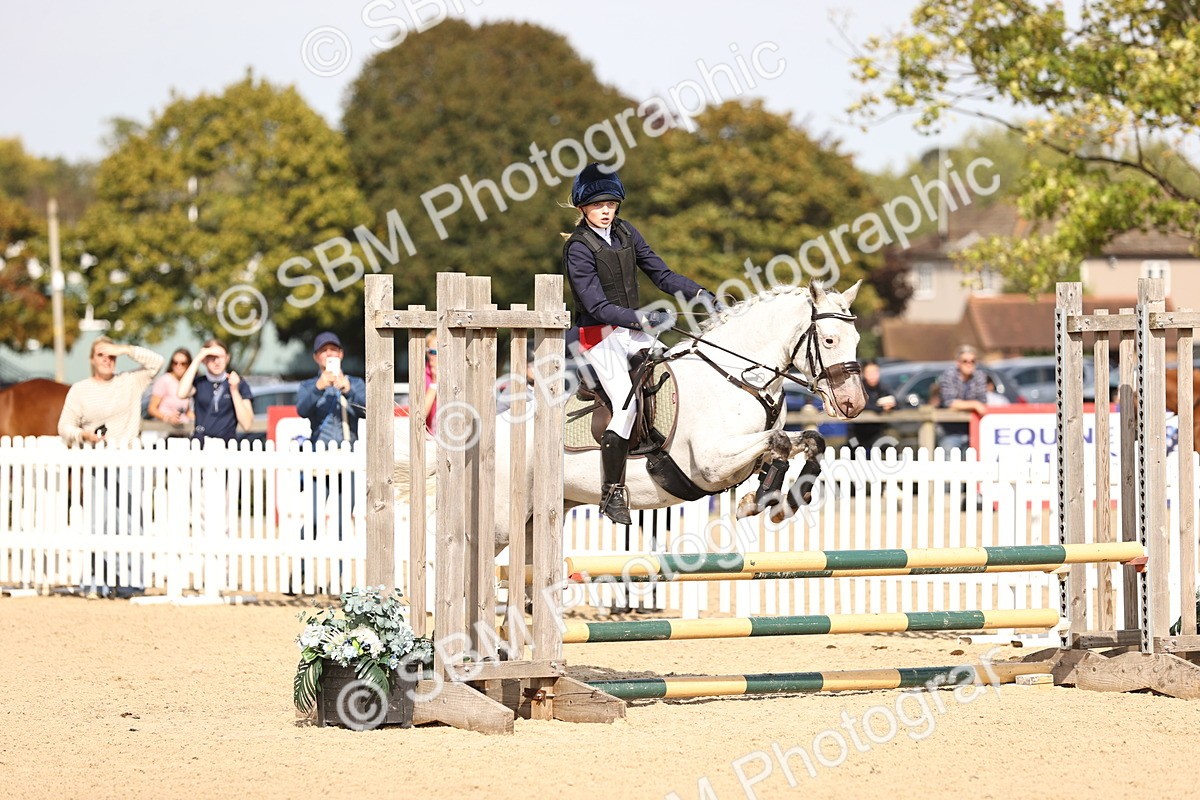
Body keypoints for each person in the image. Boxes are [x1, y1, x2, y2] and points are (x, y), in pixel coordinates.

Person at [562, 162, 725, 524]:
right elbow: (596, 306)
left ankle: (661, 449)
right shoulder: (577, 248)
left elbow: (661, 274)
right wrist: (643, 318)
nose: (606, 211)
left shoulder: (625, 233)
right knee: (624, 404)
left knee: (674, 373)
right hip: (596, 336)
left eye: (611, 204)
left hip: (630, 331)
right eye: (598, 205)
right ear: (582, 208)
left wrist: (699, 293)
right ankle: (612, 491)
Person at [57, 337, 165, 597]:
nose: (107, 360)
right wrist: (84, 435)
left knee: (130, 522)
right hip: (96, 462)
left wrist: (125, 350)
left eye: (111, 356)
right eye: (102, 355)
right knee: (98, 522)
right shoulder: (80, 390)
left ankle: (132, 582)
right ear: (92, 359)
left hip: (127, 460)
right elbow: (65, 426)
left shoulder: (129, 381)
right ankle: (97, 581)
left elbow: (157, 362)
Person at [177, 338, 254, 444]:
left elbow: (247, 424)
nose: (216, 362)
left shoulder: (238, 383)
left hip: (227, 446)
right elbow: (181, 393)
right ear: (204, 360)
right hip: (200, 445)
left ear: (227, 358)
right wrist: (198, 358)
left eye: (220, 357)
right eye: (211, 357)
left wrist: (234, 390)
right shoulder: (199, 382)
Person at [297, 332, 367, 444]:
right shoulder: (308, 385)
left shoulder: (355, 383)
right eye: (323, 350)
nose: (329, 353)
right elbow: (302, 411)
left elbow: (368, 412)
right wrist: (317, 389)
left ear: (341, 354)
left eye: (333, 349)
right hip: (319, 451)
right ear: (316, 357)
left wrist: (349, 392)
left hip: (349, 451)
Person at [933, 344, 988, 453]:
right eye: (965, 361)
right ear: (958, 362)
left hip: (972, 429)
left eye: (972, 361)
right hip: (949, 430)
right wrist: (974, 405)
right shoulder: (949, 375)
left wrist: (962, 405)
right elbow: (950, 402)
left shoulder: (979, 376)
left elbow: (983, 402)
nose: (969, 364)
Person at [849, 360, 896, 452]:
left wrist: (891, 405)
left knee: (891, 449)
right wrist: (881, 408)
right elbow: (863, 405)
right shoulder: (858, 387)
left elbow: (896, 402)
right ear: (863, 373)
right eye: (869, 373)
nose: (873, 376)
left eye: (875, 372)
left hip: (876, 432)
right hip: (856, 433)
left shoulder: (883, 387)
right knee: (852, 451)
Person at [148, 347, 193, 437]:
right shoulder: (165, 380)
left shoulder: (190, 384)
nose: (178, 366)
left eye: (183, 363)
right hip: (164, 432)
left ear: (189, 365)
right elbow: (152, 408)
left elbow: (187, 411)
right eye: (175, 362)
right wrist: (167, 418)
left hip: (183, 431)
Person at [421, 331, 438, 434]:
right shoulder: (421, 375)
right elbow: (420, 414)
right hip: (430, 436)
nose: (436, 356)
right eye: (432, 352)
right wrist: (434, 382)